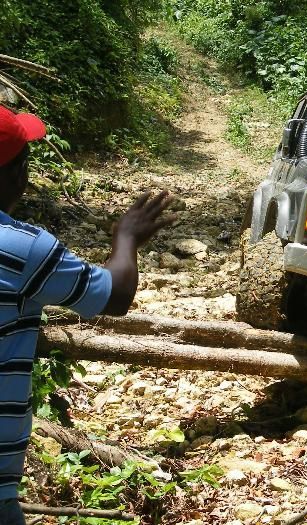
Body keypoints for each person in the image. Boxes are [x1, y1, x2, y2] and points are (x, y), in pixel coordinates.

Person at [0, 106, 174, 525]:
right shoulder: (23, 249)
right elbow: (114, 295)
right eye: (24, 163)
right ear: (14, 175)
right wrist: (126, 239)